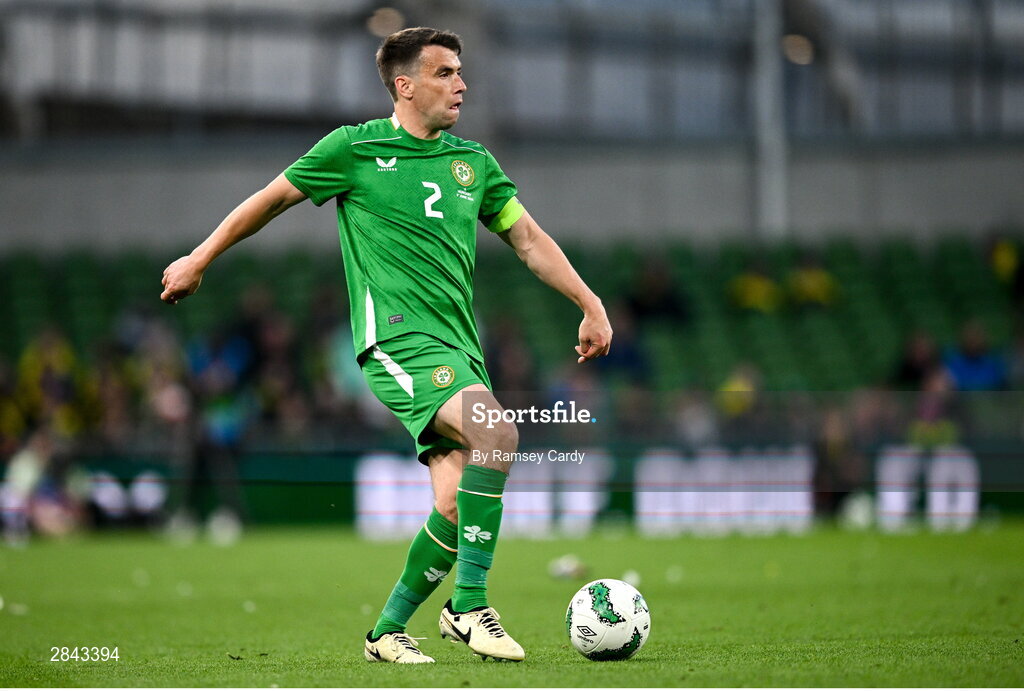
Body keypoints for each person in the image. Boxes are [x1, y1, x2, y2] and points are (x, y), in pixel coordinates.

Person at [160, 27, 612, 664]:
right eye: (445, 73)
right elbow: (270, 200)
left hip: (458, 348)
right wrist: (199, 258)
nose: (461, 84)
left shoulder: (473, 163)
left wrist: (590, 304)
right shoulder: (353, 148)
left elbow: (530, 241)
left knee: (456, 507)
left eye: (460, 72)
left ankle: (385, 633)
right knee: (500, 433)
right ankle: (470, 607)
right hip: (397, 342)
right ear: (405, 85)